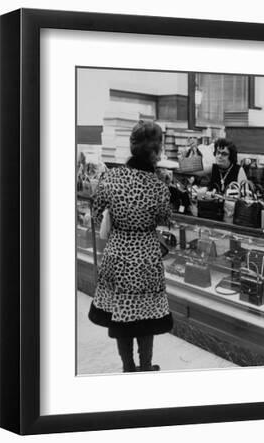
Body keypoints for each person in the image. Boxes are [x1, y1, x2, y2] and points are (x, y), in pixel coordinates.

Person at [88, 120, 173, 373]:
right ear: (156, 152)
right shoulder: (158, 186)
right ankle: (145, 368)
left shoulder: (111, 176)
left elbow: (95, 212)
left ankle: (128, 367)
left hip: (117, 252)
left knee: (121, 313)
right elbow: (165, 219)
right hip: (146, 254)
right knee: (145, 317)